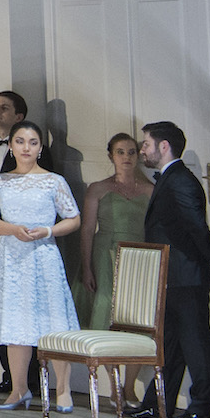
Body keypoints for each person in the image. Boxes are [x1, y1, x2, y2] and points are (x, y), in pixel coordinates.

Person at [0, 120, 80, 413]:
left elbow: (73, 219)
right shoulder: (1, 181)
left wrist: (48, 231)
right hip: (11, 258)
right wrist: (12, 229)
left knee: (54, 323)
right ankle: (19, 389)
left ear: (40, 148)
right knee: (16, 323)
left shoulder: (54, 181)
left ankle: (63, 390)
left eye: (33, 142)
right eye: (20, 141)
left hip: (44, 257)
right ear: (11, 146)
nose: (26, 148)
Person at [135, 121, 210, 418]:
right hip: (172, 274)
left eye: (146, 144)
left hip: (186, 274)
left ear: (164, 146)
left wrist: (209, 257)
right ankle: (158, 403)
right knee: (170, 342)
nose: (142, 150)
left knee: (195, 341)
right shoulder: (170, 179)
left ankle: (202, 406)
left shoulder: (180, 180)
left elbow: (196, 225)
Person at [0, 89, 53, 394]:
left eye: (5, 108)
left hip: (29, 241)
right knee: (0, 304)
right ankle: (9, 375)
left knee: (30, 307)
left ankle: (33, 377)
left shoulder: (39, 156)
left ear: (19, 116)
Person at [80, 133, 151, 327]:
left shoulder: (150, 190)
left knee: (135, 304)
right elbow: (87, 229)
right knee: (105, 302)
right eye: (120, 152)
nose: (126, 157)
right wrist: (86, 268)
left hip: (139, 252)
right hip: (105, 252)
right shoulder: (98, 188)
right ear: (111, 156)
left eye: (131, 152)